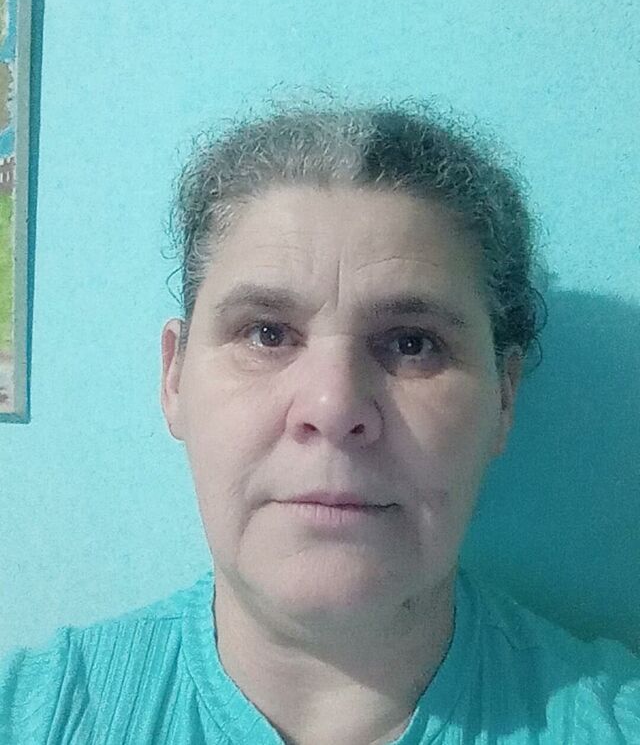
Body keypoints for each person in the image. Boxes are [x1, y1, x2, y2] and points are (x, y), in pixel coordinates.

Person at [1, 98, 638, 744]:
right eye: (267, 333)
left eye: (413, 342)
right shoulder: (32, 715)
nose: (333, 408)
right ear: (174, 378)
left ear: (504, 398)